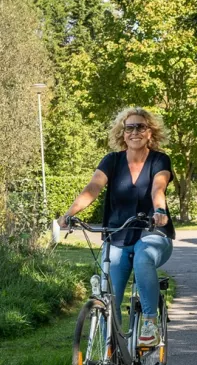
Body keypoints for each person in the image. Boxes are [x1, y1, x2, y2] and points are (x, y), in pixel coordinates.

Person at [58, 106, 176, 345]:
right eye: (129, 127)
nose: (135, 132)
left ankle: (150, 324)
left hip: (152, 232)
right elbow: (93, 188)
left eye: (140, 127)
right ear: (123, 134)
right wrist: (69, 213)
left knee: (143, 258)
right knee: (108, 299)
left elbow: (158, 187)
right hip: (118, 236)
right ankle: (109, 353)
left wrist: (160, 211)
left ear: (150, 133)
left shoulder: (159, 159)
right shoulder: (111, 161)